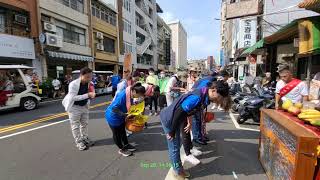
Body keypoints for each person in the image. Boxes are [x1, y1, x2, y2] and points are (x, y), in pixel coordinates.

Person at [160, 81, 231, 179]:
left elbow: (188, 110)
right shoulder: (198, 97)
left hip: (176, 117)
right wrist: (171, 131)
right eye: (219, 97)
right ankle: (178, 172)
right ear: (214, 91)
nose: (219, 100)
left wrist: (189, 122)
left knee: (175, 145)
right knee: (174, 147)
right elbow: (178, 112)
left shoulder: (204, 92)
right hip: (170, 119)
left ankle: (178, 169)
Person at [105, 83, 146, 157]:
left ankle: (126, 145)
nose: (139, 97)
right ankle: (121, 149)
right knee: (117, 134)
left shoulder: (130, 93)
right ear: (134, 92)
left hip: (121, 115)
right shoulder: (123, 95)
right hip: (113, 116)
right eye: (139, 95)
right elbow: (114, 108)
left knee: (122, 131)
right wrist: (126, 115)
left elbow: (130, 104)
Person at [62, 67, 96, 151]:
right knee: (75, 126)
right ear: (81, 75)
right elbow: (73, 98)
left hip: (84, 106)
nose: (89, 79)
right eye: (87, 77)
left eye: (91, 76)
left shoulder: (90, 83)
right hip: (74, 107)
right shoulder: (73, 84)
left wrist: (92, 94)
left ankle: (85, 138)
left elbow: (91, 92)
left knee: (85, 124)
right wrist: (88, 95)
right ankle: (79, 141)